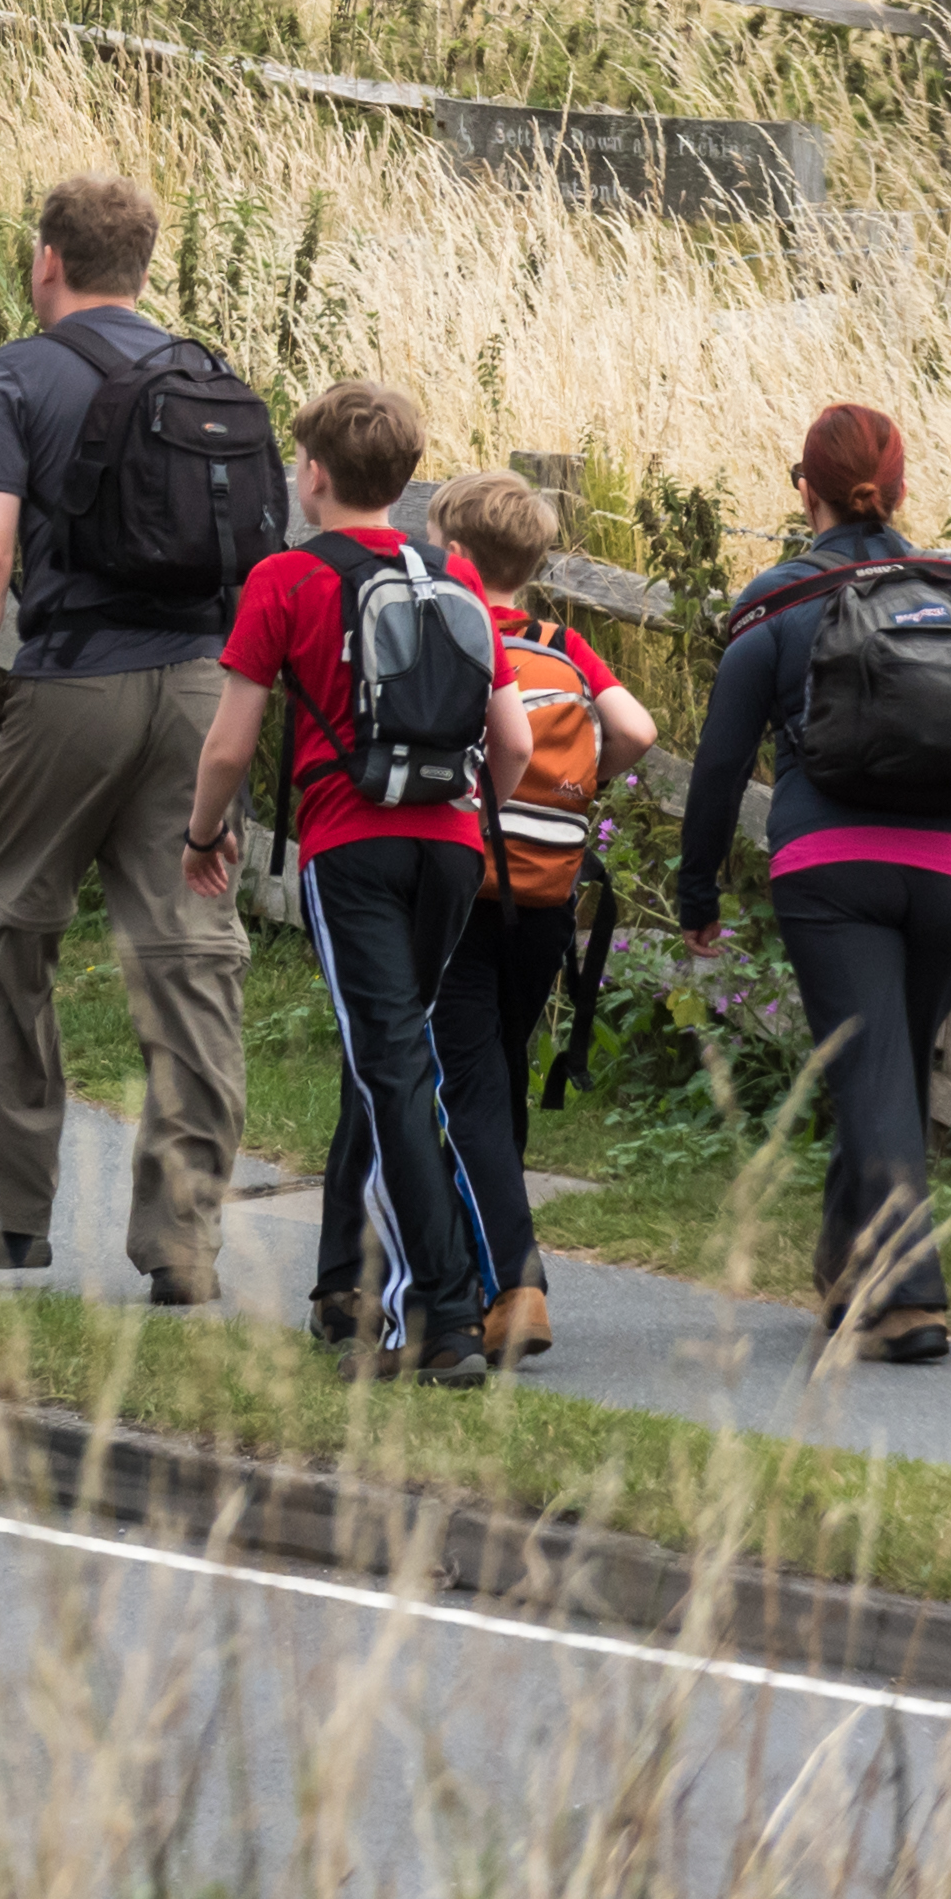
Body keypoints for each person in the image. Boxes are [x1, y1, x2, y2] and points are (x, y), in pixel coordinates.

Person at [0, 175, 253, 1304]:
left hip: (72, 686)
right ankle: (183, 1241)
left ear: (45, 256)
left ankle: (3, 1219)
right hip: (204, 688)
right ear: (144, 264)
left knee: (12, 929)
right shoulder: (209, 376)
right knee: (190, 953)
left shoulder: (15, 373)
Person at [671, 400, 951, 1366]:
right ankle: (850, 1273)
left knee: (874, 1067)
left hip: (834, 870)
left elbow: (719, 769)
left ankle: (909, 1299)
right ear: (902, 490)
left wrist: (697, 897)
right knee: (886, 1067)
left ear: (803, 489)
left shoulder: (774, 608)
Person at [188, 383, 508, 1385]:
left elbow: (229, 744)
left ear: (312, 473)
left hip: (351, 842)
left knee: (393, 1068)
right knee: (386, 1055)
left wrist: (203, 834)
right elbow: (511, 740)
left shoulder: (283, 580)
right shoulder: (446, 574)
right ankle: (345, 1283)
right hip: (451, 844)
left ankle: (443, 1316)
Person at [354, 473, 654, 1366]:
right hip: (550, 894)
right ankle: (493, 1271)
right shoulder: (565, 643)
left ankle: (516, 1285)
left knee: (469, 1087)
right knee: (500, 1080)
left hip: (469, 887)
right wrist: (577, 791)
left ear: (454, 550)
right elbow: (632, 730)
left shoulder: (453, 624)